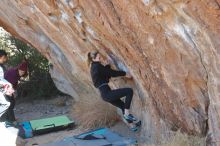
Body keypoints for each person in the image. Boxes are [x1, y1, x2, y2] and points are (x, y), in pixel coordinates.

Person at [87, 50, 137, 124]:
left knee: (123, 106)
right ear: (93, 59)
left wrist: (107, 66)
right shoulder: (97, 66)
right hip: (107, 93)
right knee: (129, 91)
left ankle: (132, 126)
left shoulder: (94, 67)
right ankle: (127, 114)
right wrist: (125, 73)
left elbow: (106, 74)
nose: (100, 59)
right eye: (99, 57)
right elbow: (111, 73)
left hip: (105, 95)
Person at [0, 50, 14, 118]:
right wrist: (8, 84)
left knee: (6, 103)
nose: (5, 59)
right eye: (4, 58)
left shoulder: (1, 66)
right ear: (2, 57)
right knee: (6, 103)